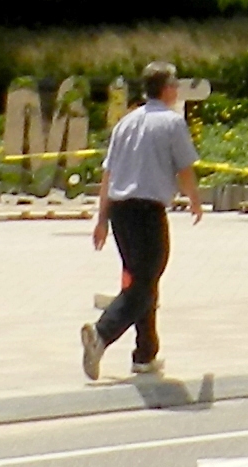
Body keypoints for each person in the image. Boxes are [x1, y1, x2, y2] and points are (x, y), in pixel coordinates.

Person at [82, 62, 202, 378]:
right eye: (175, 84)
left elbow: (108, 173)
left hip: (121, 211)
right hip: (147, 211)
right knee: (146, 282)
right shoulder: (172, 123)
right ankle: (102, 333)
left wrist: (102, 218)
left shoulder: (125, 123)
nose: (177, 89)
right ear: (166, 88)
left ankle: (145, 353)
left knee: (142, 279)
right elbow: (185, 169)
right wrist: (195, 201)